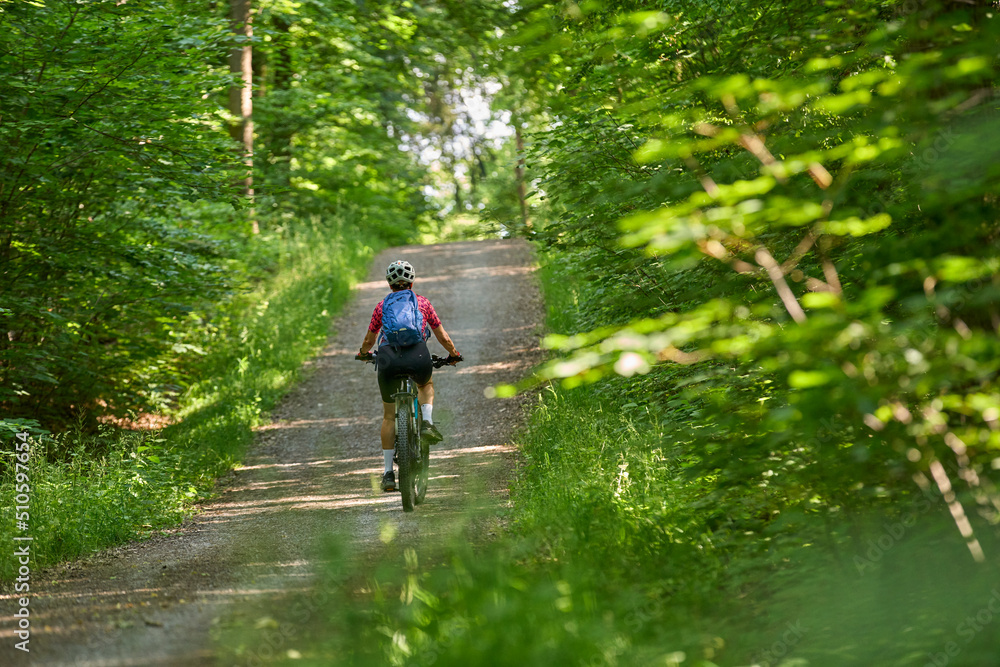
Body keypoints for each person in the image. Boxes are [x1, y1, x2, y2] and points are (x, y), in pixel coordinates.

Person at [356, 260, 462, 492]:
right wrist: (453, 354)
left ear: (389, 283)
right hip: (418, 356)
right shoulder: (423, 303)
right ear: (412, 281)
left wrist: (363, 354)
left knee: (389, 416)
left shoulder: (381, 306)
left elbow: (369, 340)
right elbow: (442, 335)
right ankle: (427, 423)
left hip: (387, 359)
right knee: (425, 384)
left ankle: (387, 474)